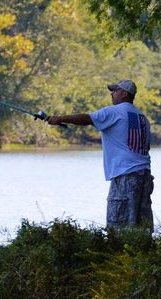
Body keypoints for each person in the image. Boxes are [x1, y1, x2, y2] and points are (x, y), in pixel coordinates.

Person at [47, 79, 154, 231]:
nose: (112, 94)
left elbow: (87, 119)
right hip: (144, 175)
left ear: (124, 94)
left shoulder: (115, 111)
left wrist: (59, 119)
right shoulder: (142, 117)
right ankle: (143, 253)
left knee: (117, 226)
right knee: (142, 225)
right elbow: (147, 146)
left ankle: (115, 254)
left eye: (115, 91)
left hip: (125, 174)